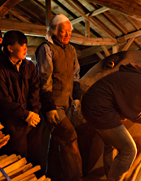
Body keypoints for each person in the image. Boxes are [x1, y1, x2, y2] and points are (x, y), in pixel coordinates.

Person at [81, 54, 141, 181]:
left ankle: (111, 176)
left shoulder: (140, 75)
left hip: (91, 106)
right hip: (100, 111)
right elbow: (135, 115)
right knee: (129, 150)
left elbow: (131, 104)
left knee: (110, 144)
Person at [35, 14, 82, 181]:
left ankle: (52, 176)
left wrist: (76, 97)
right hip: (54, 104)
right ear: (54, 31)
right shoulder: (46, 49)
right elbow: (44, 79)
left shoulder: (71, 50)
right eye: (63, 32)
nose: (67, 35)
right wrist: (49, 107)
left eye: (69, 31)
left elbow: (75, 75)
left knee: (58, 141)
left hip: (67, 103)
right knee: (69, 137)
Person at [0, 30, 43, 166]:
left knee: (35, 159)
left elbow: (35, 90)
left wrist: (34, 113)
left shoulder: (29, 66)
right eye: (22, 45)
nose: (25, 48)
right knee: (16, 160)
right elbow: (3, 100)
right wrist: (25, 114)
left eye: (26, 45)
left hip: (32, 121)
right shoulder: (0, 70)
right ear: (10, 48)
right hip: (13, 123)